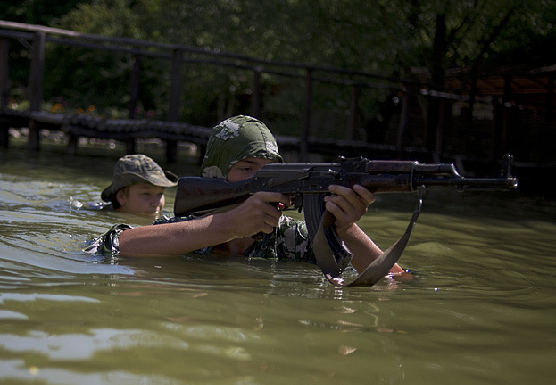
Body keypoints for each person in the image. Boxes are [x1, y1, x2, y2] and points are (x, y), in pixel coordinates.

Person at [85, 115, 404, 279]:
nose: (261, 181)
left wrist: (346, 228)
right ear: (215, 176)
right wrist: (227, 225)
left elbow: (395, 283)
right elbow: (108, 248)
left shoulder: (295, 237)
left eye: (270, 172)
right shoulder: (183, 228)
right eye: (247, 168)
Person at [96, 154, 178, 217]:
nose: (156, 203)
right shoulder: (100, 217)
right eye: (146, 194)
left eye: (160, 194)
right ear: (121, 197)